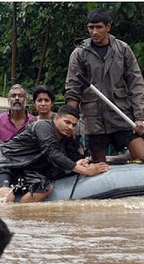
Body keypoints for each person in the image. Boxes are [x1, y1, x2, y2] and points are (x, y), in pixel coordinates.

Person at [0, 105, 110, 203]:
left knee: (45, 187)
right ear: (57, 119)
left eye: (73, 125)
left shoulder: (65, 140)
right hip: (3, 164)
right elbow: (52, 153)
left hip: (23, 170)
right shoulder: (43, 126)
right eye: (67, 122)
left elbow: (57, 165)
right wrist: (84, 170)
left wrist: (77, 164)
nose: (70, 127)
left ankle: (19, 219)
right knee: (6, 195)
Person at [65, 7, 144, 163]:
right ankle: (110, 161)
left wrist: (140, 117)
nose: (94, 32)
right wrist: (70, 121)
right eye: (91, 27)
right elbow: (73, 90)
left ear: (108, 27)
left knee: (141, 155)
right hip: (94, 118)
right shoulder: (79, 53)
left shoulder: (122, 49)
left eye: (99, 27)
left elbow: (136, 84)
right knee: (100, 167)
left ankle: (118, 159)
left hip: (122, 114)